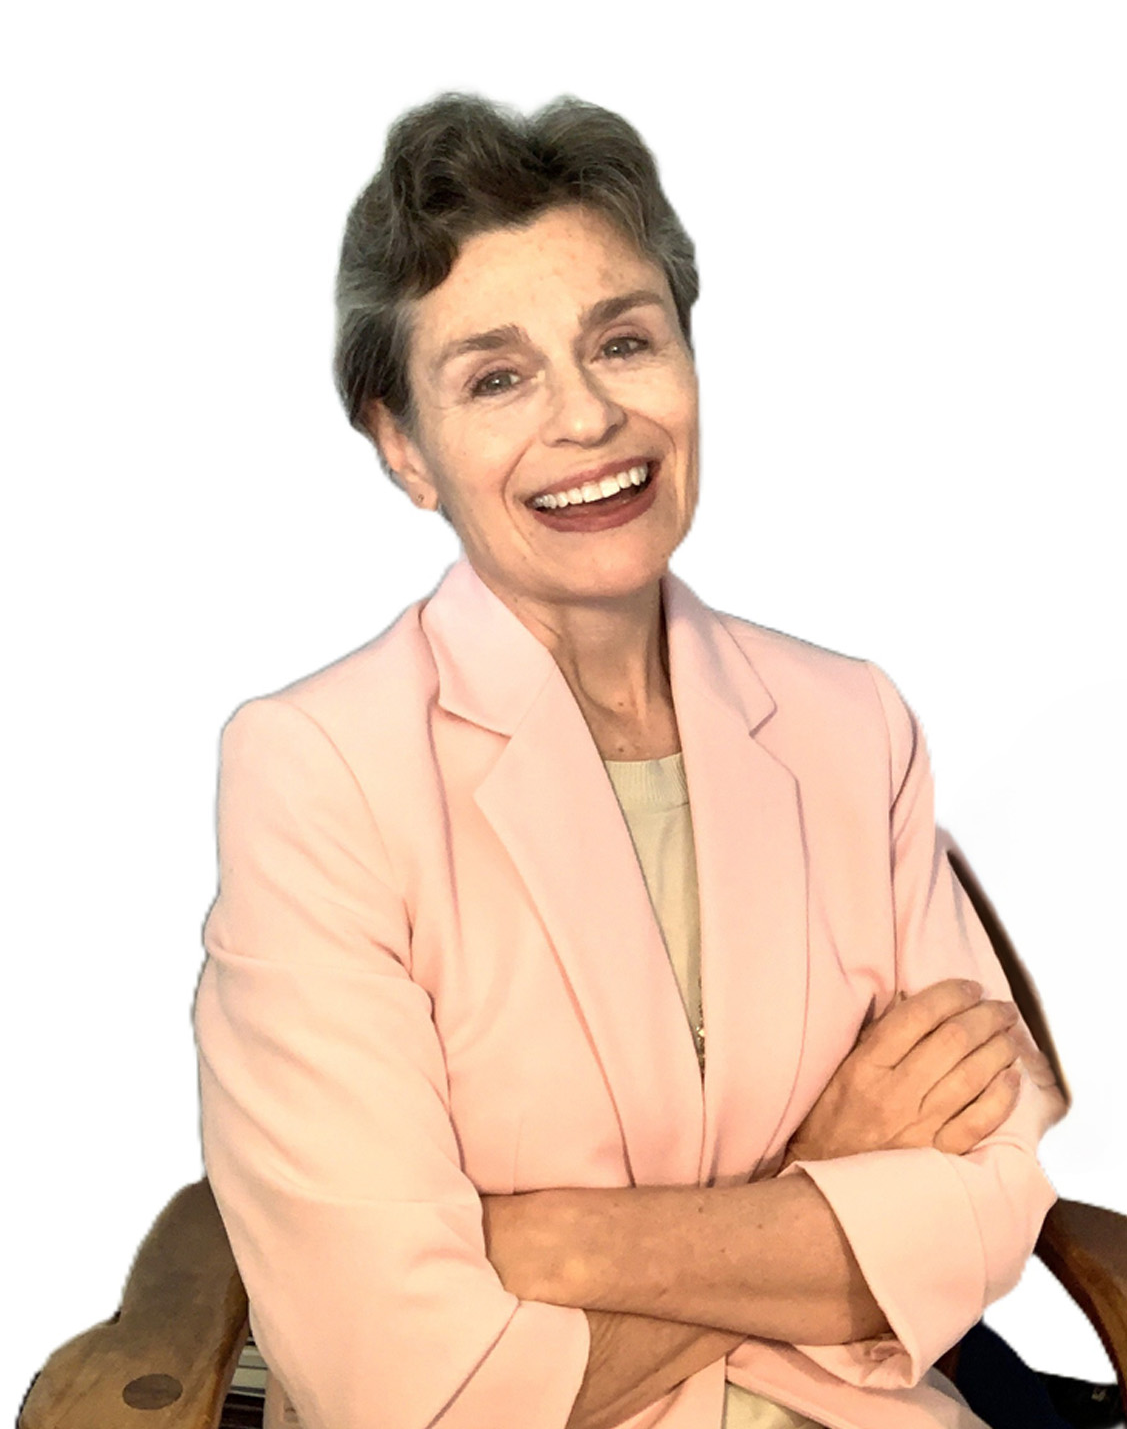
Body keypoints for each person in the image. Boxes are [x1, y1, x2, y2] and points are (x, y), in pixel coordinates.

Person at [192, 94, 1068, 1429]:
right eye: (496, 377)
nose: (589, 417)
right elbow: (402, 1380)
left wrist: (557, 1243)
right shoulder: (321, 773)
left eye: (624, 342)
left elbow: (991, 1200)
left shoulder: (852, 725)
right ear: (403, 446)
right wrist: (824, 1190)